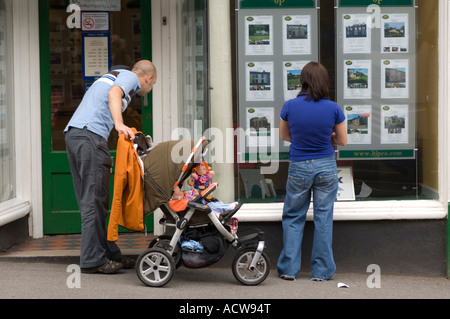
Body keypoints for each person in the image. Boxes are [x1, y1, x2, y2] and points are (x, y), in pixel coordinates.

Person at [64, 60, 157, 274]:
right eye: (151, 86)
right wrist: (119, 124)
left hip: (75, 136)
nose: (148, 90)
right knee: (94, 202)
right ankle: (93, 261)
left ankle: (110, 254)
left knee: (94, 202)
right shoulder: (129, 77)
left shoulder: (110, 75)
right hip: (89, 137)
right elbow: (114, 94)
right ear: (148, 78)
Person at [276, 62, 347, 281]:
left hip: (299, 165)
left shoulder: (290, 106)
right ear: (325, 82)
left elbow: (285, 136)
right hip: (326, 165)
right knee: (323, 217)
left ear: (303, 80)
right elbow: (343, 141)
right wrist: (329, 136)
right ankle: (322, 271)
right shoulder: (333, 108)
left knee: (293, 216)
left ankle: (289, 269)